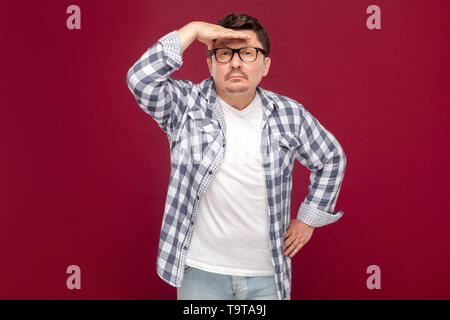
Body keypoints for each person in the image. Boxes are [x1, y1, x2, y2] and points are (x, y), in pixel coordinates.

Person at [126, 13, 346, 300]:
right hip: (200, 274)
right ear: (210, 63)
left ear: (265, 65)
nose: (235, 62)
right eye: (224, 53)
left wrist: (308, 219)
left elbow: (331, 158)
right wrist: (192, 30)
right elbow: (140, 79)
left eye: (247, 52)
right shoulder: (184, 106)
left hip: (268, 276)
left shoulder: (289, 115)